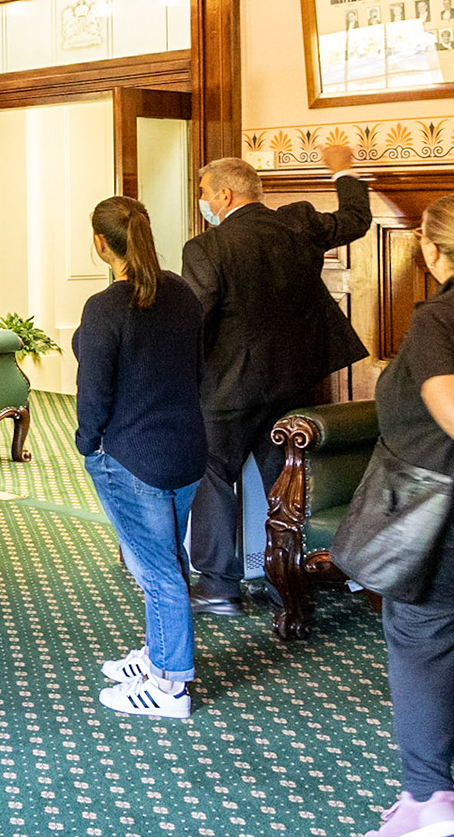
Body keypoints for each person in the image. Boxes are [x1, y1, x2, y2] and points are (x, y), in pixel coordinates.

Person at [362, 194, 454, 837]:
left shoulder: (440, 319)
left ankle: (429, 804)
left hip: (450, 527)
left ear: (428, 249)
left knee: (423, 653)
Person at [182, 145, 371, 614]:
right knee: (282, 482)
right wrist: (342, 168)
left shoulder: (207, 248)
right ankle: (281, 576)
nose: (202, 201)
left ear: (223, 195)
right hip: (293, 381)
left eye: (204, 192)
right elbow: (356, 218)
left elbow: (196, 321)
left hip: (227, 388)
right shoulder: (299, 224)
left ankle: (218, 584)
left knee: (211, 472)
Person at [76, 197, 207, 720]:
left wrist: (89, 442)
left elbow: (94, 393)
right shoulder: (183, 293)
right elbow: (197, 371)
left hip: (131, 457)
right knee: (166, 557)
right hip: (186, 448)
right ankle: (157, 654)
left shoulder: (105, 308)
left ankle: (169, 684)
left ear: (100, 244)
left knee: (157, 571)